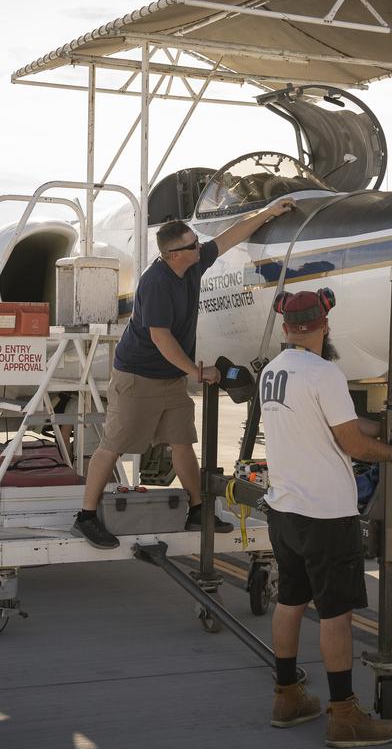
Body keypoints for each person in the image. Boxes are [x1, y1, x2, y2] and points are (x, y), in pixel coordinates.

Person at [72, 198, 296, 549]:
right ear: (174, 254)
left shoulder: (191, 263)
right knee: (114, 444)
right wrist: (194, 371)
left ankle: (196, 510)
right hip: (139, 377)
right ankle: (85, 517)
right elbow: (161, 338)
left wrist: (268, 212)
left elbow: (228, 238)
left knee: (182, 442)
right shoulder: (156, 284)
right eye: (192, 245)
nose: (199, 247)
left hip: (169, 378)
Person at [260, 289, 392, 748]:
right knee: (336, 615)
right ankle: (344, 715)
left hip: (285, 508)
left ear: (288, 327)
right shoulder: (325, 372)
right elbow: (353, 444)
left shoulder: (273, 372)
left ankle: (287, 698)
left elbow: (334, 423)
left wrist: (382, 425)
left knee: (290, 601)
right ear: (323, 326)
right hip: (326, 514)